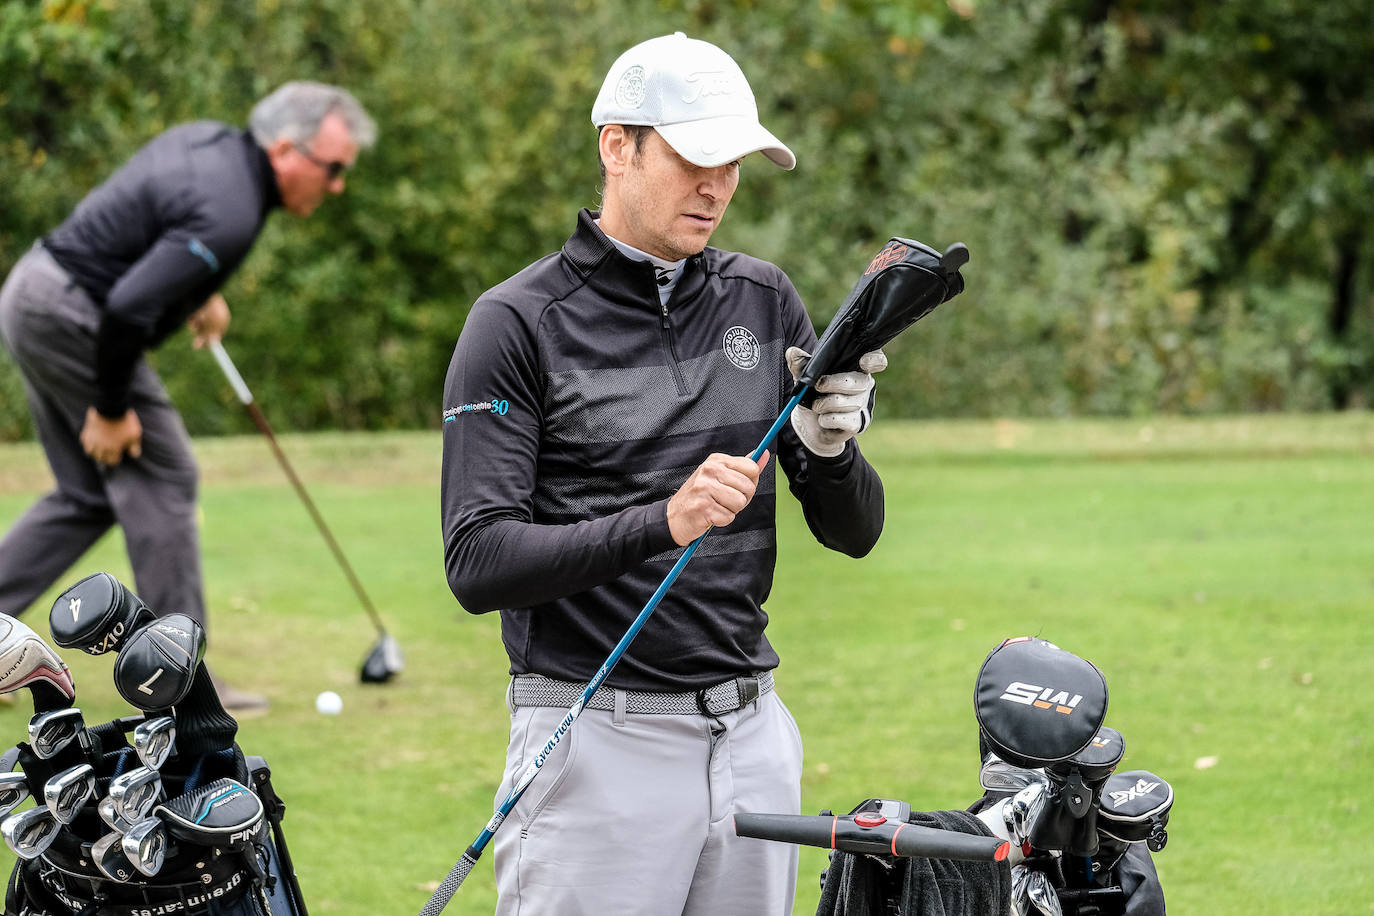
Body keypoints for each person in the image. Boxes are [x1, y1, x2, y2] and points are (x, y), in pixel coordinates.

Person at [441, 32, 887, 914]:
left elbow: (855, 532)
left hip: (752, 733)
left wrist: (833, 455)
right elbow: (478, 562)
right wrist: (663, 521)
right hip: (595, 741)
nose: (717, 184)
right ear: (619, 144)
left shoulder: (763, 298)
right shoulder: (515, 323)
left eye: (734, 162)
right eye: (695, 156)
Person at [0, 81, 376, 711]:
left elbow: (148, 227)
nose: (336, 186)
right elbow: (124, 308)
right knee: (167, 475)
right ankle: (179, 682)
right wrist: (113, 409)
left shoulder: (211, 147)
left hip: (32, 295)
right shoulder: (230, 208)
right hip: (74, 314)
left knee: (88, 494)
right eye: (332, 169)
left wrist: (194, 288)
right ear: (286, 150)